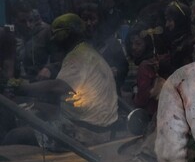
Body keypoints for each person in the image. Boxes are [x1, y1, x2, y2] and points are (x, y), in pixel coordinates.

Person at [4, 13, 118, 147]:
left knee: (15, 136)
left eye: (56, 35)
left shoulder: (77, 57)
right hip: (101, 127)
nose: (53, 40)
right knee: (36, 107)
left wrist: (21, 88)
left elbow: (57, 86)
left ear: (68, 35)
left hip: (86, 132)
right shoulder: (89, 53)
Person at [78, 2, 128, 94]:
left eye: (92, 19)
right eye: (85, 19)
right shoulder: (75, 43)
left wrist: (116, 71)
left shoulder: (112, 43)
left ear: (100, 20)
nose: (89, 23)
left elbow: (123, 68)